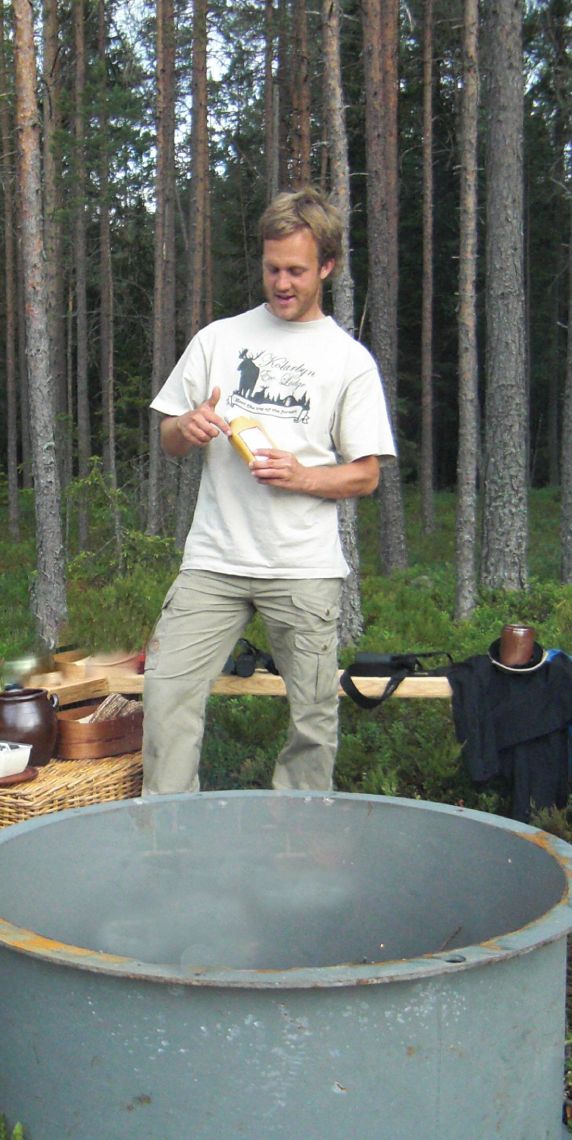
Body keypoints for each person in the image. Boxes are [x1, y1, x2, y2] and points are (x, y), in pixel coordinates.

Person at [141, 188, 396, 795]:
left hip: (303, 568)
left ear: (327, 267)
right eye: (272, 268)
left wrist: (301, 475)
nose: (281, 283)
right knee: (166, 692)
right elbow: (168, 438)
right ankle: (168, 836)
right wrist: (187, 426)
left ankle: (298, 847)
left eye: (296, 271)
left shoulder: (348, 360)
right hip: (215, 560)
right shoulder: (219, 340)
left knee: (313, 715)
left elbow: (366, 473)